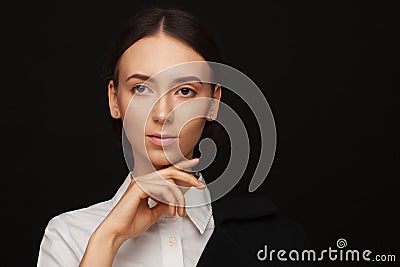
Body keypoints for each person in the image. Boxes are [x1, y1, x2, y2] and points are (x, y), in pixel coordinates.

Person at [37, 6, 309, 267]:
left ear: (214, 103)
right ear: (114, 99)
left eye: (185, 91)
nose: (162, 113)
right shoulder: (69, 236)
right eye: (141, 88)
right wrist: (108, 239)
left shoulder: (275, 240)